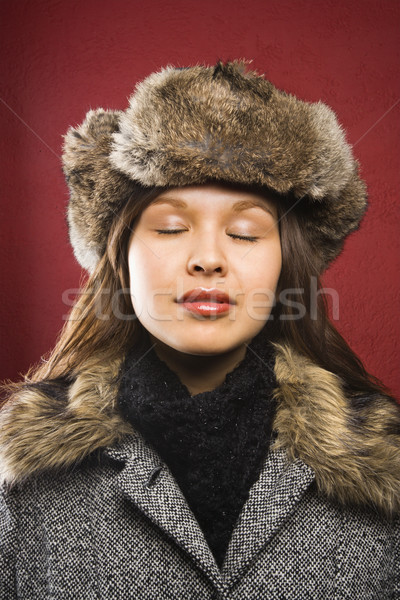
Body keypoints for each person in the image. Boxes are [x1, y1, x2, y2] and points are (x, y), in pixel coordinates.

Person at [0, 60, 399, 599]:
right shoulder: (20, 479)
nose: (208, 259)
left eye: (244, 232)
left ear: (287, 265)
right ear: (119, 258)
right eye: (169, 227)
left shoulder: (383, 468)